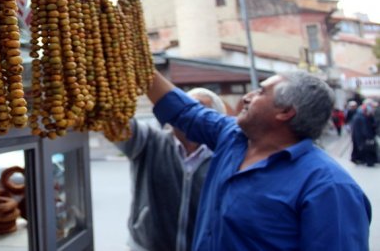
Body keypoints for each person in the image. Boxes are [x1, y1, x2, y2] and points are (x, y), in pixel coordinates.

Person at [146, 70, 371, 250]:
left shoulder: (328, 187)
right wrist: (136, 59)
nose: (247, 97)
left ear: (285, 112)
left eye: (261, 92)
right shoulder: (232, 138)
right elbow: (184, 111)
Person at [116, 88, 227, 251]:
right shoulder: (149, 141)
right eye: (184, 108)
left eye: (198, 109)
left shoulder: (224, 158)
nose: (189, 115)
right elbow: (116, 121)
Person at [352, 99, 378, 166]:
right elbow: (365, 128)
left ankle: (359, 158)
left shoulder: (363, 114)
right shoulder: (361, 115)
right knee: (363, 147)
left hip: (362, 136)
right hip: (362, 136)